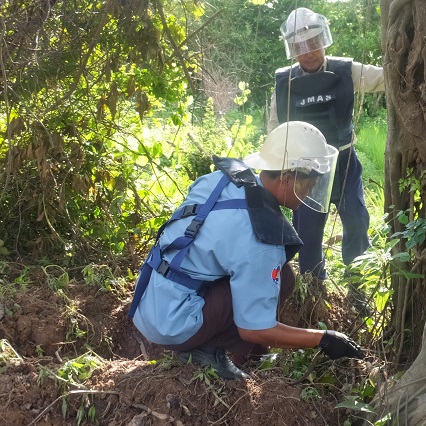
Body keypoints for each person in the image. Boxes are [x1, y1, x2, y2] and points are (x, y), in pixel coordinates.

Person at [128, 121, 364, 380]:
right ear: (287, 179)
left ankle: (251, 355)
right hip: (173, 324)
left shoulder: (221, 179)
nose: (309, 194)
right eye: (309, 186)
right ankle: (205, 351)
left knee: (281, 277)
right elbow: (255, 329)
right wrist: (323, 339)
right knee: (277, 283)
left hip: (150, 298)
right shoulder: (260, 239)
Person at [267, 7, 385, 300]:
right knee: (307, 232)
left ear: (324, 41)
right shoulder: (285, 82)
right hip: (305, 171)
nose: (308, 52)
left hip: (344, 163)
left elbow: (386, 78)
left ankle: (358, 291)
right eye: (300, 46)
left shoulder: (346, 70)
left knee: (357, 221)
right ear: (292, 49)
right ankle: (313, 293)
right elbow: (274, 129)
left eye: (313, 43)